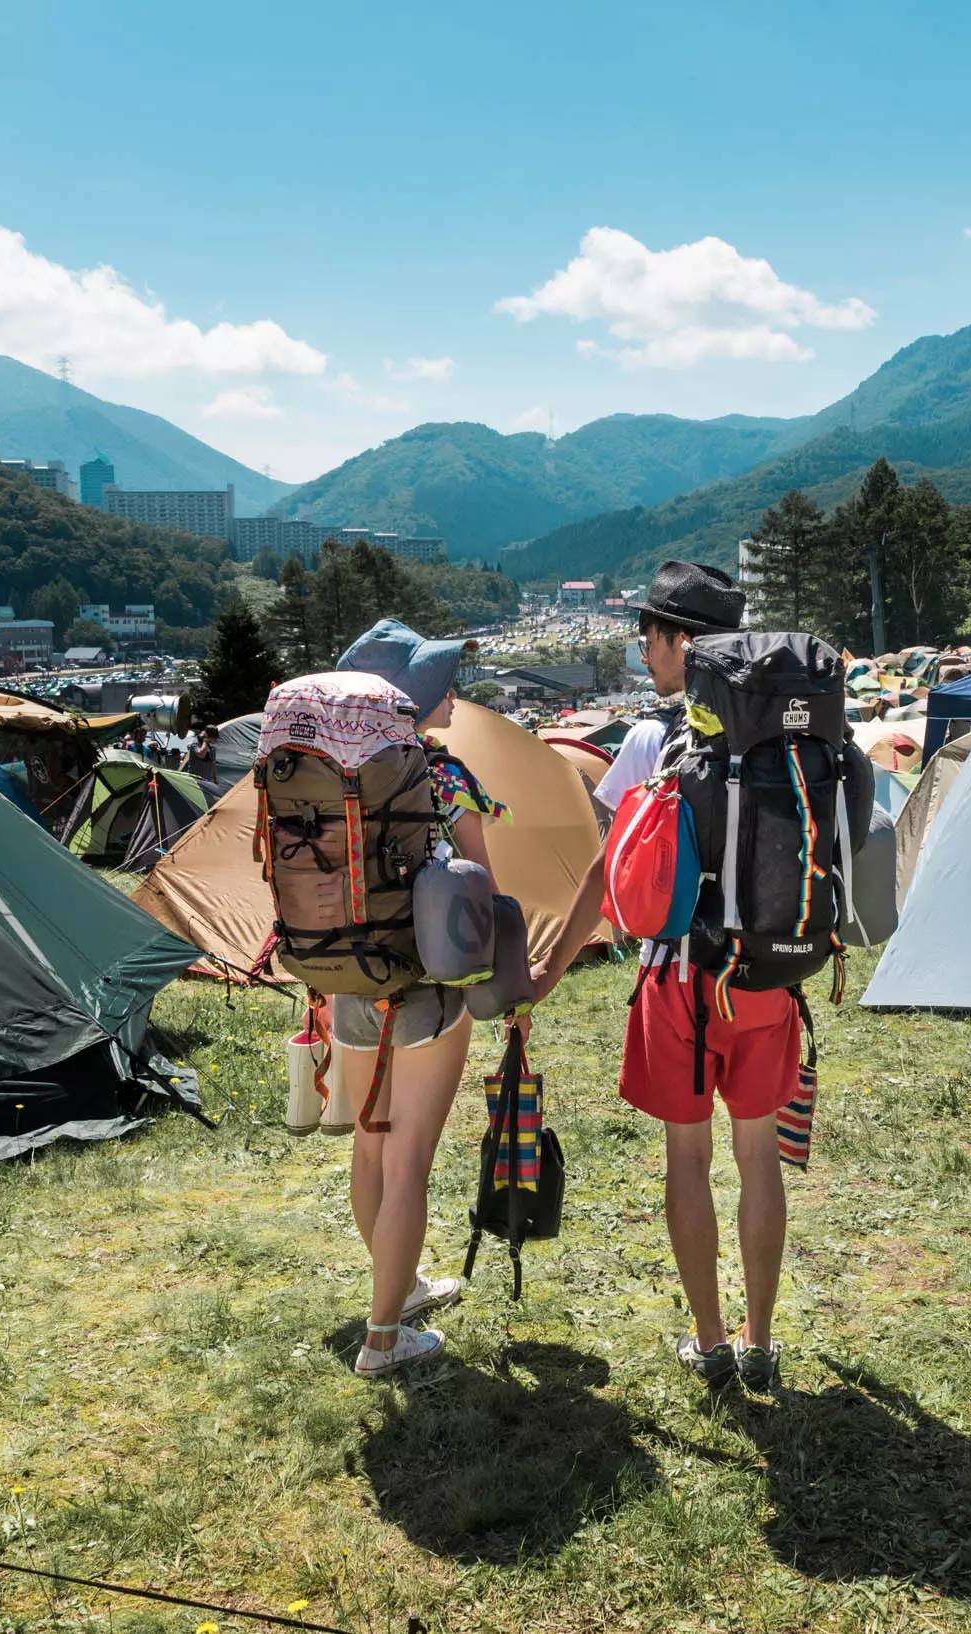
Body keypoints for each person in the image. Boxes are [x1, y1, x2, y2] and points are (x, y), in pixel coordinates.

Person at [534, 561, 795, 1392]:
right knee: (758, 1156)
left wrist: (547, 969)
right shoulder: (790, 731)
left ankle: (711, 1342)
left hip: (676, 977)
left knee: (688, 1156)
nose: (643, 652)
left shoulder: (653, 737)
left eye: (648, 636)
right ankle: (761, 1342)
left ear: (682, 643)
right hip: (763, 974)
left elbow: (604, 873)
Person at [331, 621, 506, 1377]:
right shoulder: (442, 774)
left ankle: (396, 1292)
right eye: (441, 686)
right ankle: (382, 1338)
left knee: (370, 1150)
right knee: (409, 1165)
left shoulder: (332, 772)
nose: (452, 696)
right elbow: (482, 887)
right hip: (427, 990)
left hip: (346, 982)